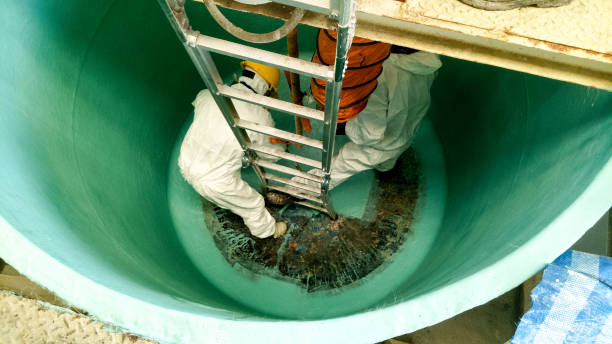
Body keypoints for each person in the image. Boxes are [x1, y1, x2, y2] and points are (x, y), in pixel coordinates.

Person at [295, 46, 442, 189]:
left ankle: (297, 188)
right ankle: (386, 172)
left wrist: (346, 124)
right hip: (408, 129)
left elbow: (367, 136)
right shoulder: (430, 61)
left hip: (378, 145)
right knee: (387, 162)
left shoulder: (377, 76)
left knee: (337, 169)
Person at [178, 61, 287, 239]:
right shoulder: (260, 117)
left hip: (186, 161)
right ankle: (268, 232)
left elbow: (200, 106)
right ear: (267, 89)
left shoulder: (208, 94)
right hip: (215, 182)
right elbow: (271, 155)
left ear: (244, 74)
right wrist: (282, 145)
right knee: (252, 203)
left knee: (218, 179)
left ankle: (217, 200)